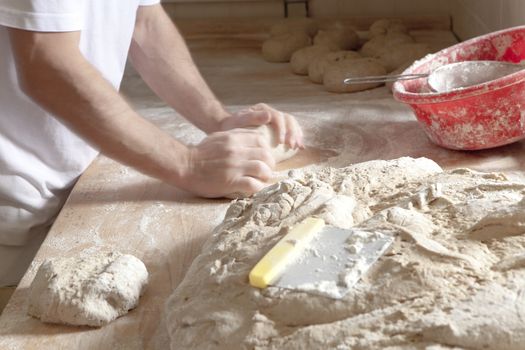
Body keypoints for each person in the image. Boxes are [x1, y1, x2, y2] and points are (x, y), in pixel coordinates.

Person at [0, 1, 303, 291]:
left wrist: (218, 119)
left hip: (68, 188)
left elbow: (144, 21)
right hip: (12, 210)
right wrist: (190, 165)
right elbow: (46, 61)